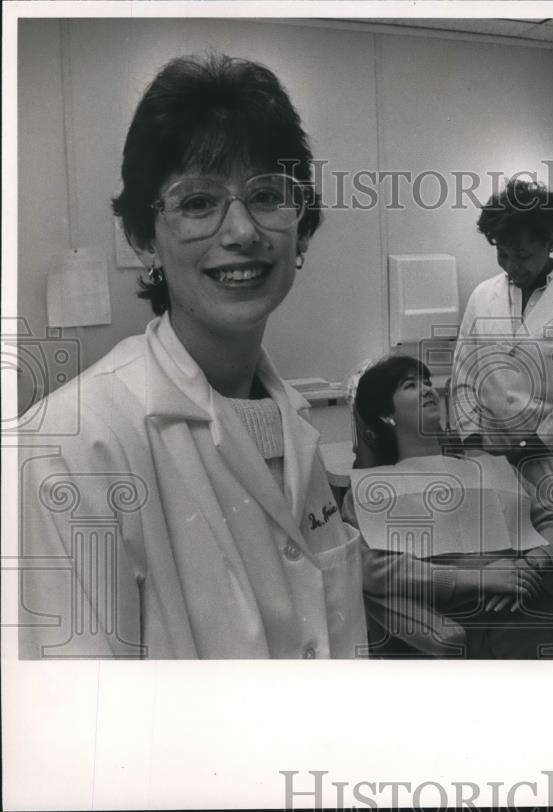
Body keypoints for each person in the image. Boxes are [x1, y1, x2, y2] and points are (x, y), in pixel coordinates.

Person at [18, 54, 367, 659]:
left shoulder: (294, 426)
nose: (241, 232)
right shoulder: (69, 451)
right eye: (198, 203)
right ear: (142, 237)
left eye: (267, 196)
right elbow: (84, 729)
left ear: (302, 229)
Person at [344, 355, 553, 659]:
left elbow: (552, 522)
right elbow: (373, 570)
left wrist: (531, 563)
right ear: (386, 415)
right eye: (410, 385)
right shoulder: (374, 491)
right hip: (474, 619)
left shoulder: (484, 465)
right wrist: (479, 578)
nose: (428, 389)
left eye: (427, 381)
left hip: (533, 597)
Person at [451, 178, 553, 503]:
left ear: (549, 242)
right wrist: (471, 439)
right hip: (492, 465)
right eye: (503, 254)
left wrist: (526, 447)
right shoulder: (483, 296)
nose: (512, 266)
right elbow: (463, 378)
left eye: (522, 256)